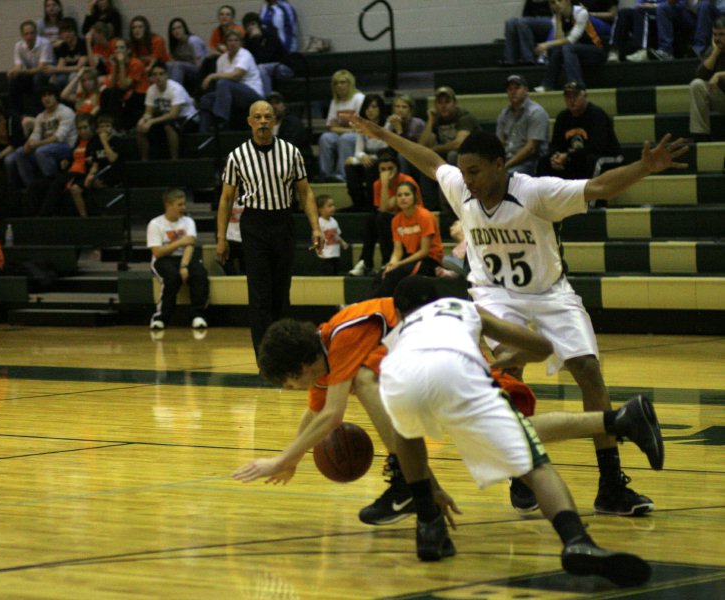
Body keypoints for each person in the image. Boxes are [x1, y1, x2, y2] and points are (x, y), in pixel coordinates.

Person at [350, 111, 688, 517]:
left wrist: (644, 168)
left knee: (588, 371)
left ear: (499, 164)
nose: (467, 179)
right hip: (495, 295)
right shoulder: (462, 187)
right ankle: (521, 469)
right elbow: (429, 161)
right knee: (510, 367)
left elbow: (598, 186)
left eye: (475, 171)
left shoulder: (536, 192)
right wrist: (380, 132)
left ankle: (611, 486)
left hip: (549, 292)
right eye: (464, 172)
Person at [233, 285, 664, 530]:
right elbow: (317, 415)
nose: (293, 389)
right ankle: (620, 419)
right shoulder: (327, 362)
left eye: (290, 381)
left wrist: (281, 459)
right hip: (435, 374)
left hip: (449, 359)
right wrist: (295, 454)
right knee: (514, 432)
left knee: (512, 433)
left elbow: (331, 416)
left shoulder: (343, 337)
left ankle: (407, 482)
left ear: (304, 364)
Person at [377, 278, 653, 588]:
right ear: (436, 299)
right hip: (457, 370)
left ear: (400, 312)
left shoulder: (397, 334)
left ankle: (428, 523)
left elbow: (401, 422)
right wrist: (513, 358)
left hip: (397, 372)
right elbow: (542, 346)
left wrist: (432, 489)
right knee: (536, 467)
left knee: (406, 433)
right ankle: (576, 539)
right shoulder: (464, 308)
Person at [215, 100, 324, 356]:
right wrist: (221, 238)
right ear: (250, 122)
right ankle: (265, 357)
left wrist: (316, 228)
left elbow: (305, 192)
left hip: (283, 221)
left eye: (267, 116)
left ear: (274, 120)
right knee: (260, 294)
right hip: (254, 224)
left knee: (281, 292)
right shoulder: (237, 156)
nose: (263, 121)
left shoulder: (291, 152)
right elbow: (226, 199)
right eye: (258, 117)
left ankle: (284, 353)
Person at [349, 151, 424, 277]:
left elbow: (384, 209)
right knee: (372, 218)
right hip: (395, 222)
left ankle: (387, 261)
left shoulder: (406, 182)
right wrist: (384, 184)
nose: (387, 172)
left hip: (412, 221)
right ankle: (366, 262)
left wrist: (384, 184)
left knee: (381, 218)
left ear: (398, 169)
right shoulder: (377, 184)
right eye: (383, 169)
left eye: (390, 168)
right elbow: (383, 209)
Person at [147, 188, 210, 330]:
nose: (184, 208)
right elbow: (157, 252)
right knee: (171, 277)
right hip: (163, 260)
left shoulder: (188, 222)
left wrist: (184, 266)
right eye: (180, 204)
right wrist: (180, 242)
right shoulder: (155, 224)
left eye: (184, 204)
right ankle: (160, 318)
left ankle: (197, 315)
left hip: (184, 258)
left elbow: (190, 245)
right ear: (168, 205)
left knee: (199, 273)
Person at [368, 181, 443, 298]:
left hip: (429, 260)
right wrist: (392, 264)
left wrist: (399, 264)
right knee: (382, 274)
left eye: (407, 195)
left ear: (415, 197)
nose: (403, 198)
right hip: (410, 259)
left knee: (395, 274)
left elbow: (424, 252)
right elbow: (398, 251)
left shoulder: (425, 216)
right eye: (399, 195)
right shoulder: (396, 220)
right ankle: (374, 303)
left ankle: (368, 303)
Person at [540, 81, 622, 179]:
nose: (572, 100)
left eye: (575, 96)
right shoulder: (562, 117)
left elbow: (597, 147)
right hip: (577, 157)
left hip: (608, 157)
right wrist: (555, 156)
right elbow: (556, 144)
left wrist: (568, 156)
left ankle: (591, 193)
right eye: (568, 97)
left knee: (592, 161)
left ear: (585, 96)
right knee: (544, 162)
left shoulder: (597, 115)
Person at [6, 86, 76, 191]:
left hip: (66, 148)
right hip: (47, 147)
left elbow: (59, 137)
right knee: (20, 152)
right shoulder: (41, 116)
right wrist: (28, 144)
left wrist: (38, 144)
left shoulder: (66, 112)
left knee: (41, 151)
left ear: (56, 96)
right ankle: (32, 187)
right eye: (44, 96)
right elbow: (35, 135)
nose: (46, 98)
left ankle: (53, 185)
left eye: (49, 95)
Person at [27, 112, 94, 217]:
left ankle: (44, 215)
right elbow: (73, 158)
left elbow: (96, 160)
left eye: (85, 128)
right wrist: (66, 162)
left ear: (92, 127)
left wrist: (90, 160)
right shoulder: (78, 142)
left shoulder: (96, 142)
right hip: (70, 172)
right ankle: (32, 216)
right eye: (79, 129)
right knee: (36, 185)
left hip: (81, 174)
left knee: (57, 184)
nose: (82, 131)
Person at [534, 0, 607, 92]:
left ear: (568, 1)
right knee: (558, 50)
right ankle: (547, 84)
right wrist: (558, 20)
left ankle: (575, 84)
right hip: (575, 53)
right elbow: (558, 42)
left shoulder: (581, 12)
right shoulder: (555, 19)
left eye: (560, 0)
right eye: (552, 2)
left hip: (595, 51)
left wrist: (546, 44)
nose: (556, 4)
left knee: (568, 48)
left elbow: (572, 39)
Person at [199, 31, 265, 133]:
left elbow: (236, 75)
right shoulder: (221, 59)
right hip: (232, 95)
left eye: (236, 40)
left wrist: (212, 75)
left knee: (224, 83)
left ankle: (220, 120)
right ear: (225, 43)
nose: (233, 43)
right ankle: (203, 133)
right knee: (206, 98)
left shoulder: (245, 55)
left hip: (252, 93)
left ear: (240, 43)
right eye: (230, 40)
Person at [137, 63, 197, 161]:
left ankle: (174, 160)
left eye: (161, 74)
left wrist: (151, 121)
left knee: (169, 125)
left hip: (188, 117)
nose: (158, 77)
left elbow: (173, 115)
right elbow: (148, 112)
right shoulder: (151, 90)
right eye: (155, 75)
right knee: (141, 127)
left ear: (166, 75)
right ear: (152, 77)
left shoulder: (176, 89)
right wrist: (143, 120)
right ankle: (144, 161)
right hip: (167, 117)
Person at [317, 70, 365, 182]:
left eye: (343, 82)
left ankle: (342, 175)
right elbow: (330, 126)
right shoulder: (335, 101)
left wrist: (339, 128)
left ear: (350, 83)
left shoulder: (359, 98)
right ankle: (325, 175)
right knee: (325, 138)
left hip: (359, 135)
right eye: (336, 83)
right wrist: (347, 129)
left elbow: (360, 126)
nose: (339, 85)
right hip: (345, 133)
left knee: (345, 139)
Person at [497, 74, 549, 175]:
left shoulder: (536, 112)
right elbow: (499, 143)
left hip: (531, 161)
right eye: (510, 89)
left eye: (517, 88)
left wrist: (506, 166)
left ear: (526, 90)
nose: (513, 92)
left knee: (507, 176)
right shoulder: (504, 114)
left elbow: (531, 148)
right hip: (508, 159)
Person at [345, 94, 389, 211]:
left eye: (374, 107)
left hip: (384, 159)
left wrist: (367, 157)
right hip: (368, 159)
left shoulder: (387, 125)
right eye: (367, 107)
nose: (370, 110)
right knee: (349, 166)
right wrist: (361, 157)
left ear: (380, 109)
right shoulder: (362, 126)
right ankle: (358, 204)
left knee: (369, 166)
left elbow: (386, 148)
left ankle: (372, 205)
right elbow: (358, 151)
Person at [419, 86, 481, 166]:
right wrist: (430, 120)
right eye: (440, 102)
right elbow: (421, 145)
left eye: (447, 102)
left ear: (454, 103)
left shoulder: (464, 117)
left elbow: (459, 144)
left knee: (452, 155)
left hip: (474, 153)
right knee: (426, 156)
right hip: (447, 153)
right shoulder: (436, 118)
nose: (443, 106)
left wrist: (434, 149)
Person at [8, 20, 55, 116]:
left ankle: (37, 113)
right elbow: (18, 65)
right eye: (26, 34)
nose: (29, 36)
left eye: (32, 33)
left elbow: (41, 68)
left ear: (36, 33)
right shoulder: (18, 46)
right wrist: (13, 72)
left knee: (38, 78)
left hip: (46, 73)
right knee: (14, 80)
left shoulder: (45, 43)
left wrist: (21, 71)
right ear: (22, 35)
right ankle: (17, 113)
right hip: (29, 73)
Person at [689, 16, 725, 141]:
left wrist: (719, 74)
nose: (717, 39)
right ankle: (701, 135)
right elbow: (700, 74)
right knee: (697, 85)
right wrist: (716, 52)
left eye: (721, 35)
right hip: (722, 98)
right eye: (715, 34)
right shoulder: (714, 49)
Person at [242, 12, 293, 97]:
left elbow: (264, 58)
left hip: (283, 67)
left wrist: (256, 40)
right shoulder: (247, 39)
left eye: (253, 24)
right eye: (247, 26)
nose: (251, 28)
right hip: (265, 68)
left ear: (259, 24)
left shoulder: (270, 34)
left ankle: (267, 100)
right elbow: (248, 58)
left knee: (262, 68)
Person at [503, 0, 554, 65]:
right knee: (510, 22)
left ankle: (528, 58)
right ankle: (510, 60)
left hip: (551, 21)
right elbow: (525, 15)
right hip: (533, 23)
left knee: (522, 22)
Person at [387, 94, 426, 177]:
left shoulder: (417, 124)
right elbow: (389, 147)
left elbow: (409, 148)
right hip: (396, 155)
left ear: (410, 110)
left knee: (403, 156)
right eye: (397, 107)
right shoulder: (390, 123)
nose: (400, 110)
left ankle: (404, 184)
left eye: (404, 107)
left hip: (417, 158)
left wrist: (399, 130)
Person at [84, 113, 127, 190]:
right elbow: (95, 164)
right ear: (98, 129)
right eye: (102, 126)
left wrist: (104, 141)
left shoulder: (118, 141)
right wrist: (89, 176)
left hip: (115, 173)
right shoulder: (95, 144)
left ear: (112, 128)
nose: (105, 128)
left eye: (107, 126)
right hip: (101, 173)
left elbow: (112, 159)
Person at [166, 17, 208, 92]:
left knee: (178, 65)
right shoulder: (176, 45)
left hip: (201, 72)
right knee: (168, 65)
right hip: (185, 71)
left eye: (179, 28)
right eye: (173, 29)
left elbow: (201, 65)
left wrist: (183, 64)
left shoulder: (193, 41)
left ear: (184, 29)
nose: (176, 31)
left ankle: (175, 94)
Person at [47, 18, 89, 89]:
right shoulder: (63, 46)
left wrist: (56, 69)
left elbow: (79, 67)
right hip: (68, 72)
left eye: (69, 31)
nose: (66, 34)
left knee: (72, 76)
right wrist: (54, 73)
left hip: (82, 73)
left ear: (75, 32)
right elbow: (61, 65)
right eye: (63, 32)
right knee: (53, 80)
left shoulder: (82, 43)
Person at [315, 194, 349, 275]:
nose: (333, 208)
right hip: (325, 255)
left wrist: (342, 242)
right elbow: (316, 237)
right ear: (320, 209)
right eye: (329, 206)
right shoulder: (319, 222)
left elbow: (336, 235)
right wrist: (318, 247)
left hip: (335, 253)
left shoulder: (334, 221)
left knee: (335, 273)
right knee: (327, 274)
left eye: (333, 205)